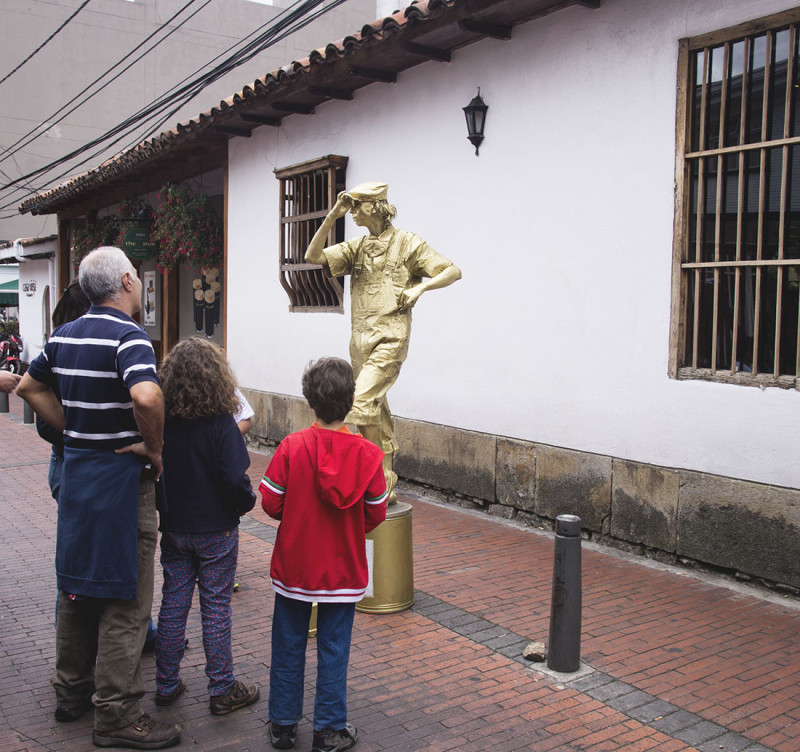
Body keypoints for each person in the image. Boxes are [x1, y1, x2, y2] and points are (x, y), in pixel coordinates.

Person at [16, 247, 180, 750]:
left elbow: (27, 386)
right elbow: (148, 396)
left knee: (78, 588)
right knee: (126, 599)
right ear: (128, 281)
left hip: (80, 477)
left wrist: (74, 429)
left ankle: (71, 691)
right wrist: (154, 446)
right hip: (120, 483)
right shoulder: (129, 337)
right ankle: (116, 713)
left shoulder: (62, 336)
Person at [260, 357, 388, 752]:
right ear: (350, 401)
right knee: (334, 647)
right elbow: (376, 512)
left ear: (310, 402)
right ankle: (328, 728)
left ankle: (283, 724)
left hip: (296, 562)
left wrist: (297, 513)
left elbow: (270, 502)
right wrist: (352, 529)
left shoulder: (291, 447)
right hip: (343, 566)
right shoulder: (368, 455)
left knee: (287, 641)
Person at [304, 182, 461, 504]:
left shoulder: (408, 243)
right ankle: (385, 482)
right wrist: (333, 214)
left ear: (375, 206)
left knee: (359, 403)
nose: (354, 212)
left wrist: (420, 289)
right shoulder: (357, 246)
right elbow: (313, 255)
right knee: (376, 408)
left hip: (391, 336)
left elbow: (452, 270)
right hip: (359, 339)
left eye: (356, 206)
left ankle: (377, 474)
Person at [154, 337, 259, 716]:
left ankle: (165, 683)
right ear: (216, 377)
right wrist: (245, 503)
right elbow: (235, 477)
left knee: (173, 603)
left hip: (176, 527)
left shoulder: (163, 421)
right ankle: (221, 687)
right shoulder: (220, 423)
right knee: (215, 607)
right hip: (216, 528)